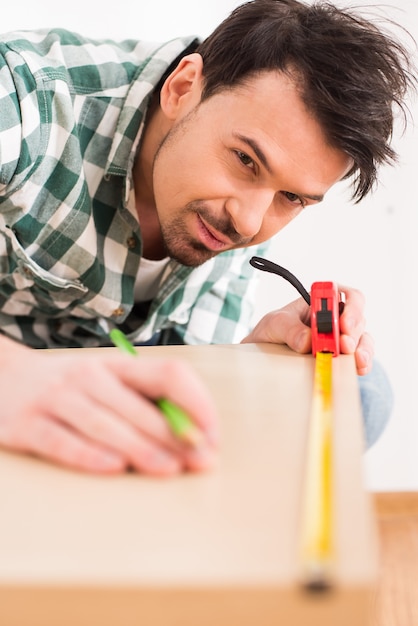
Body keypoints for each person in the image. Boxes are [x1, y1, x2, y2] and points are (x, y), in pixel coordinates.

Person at [0, 0, 414, 475]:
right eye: (244, 161)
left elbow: (188, 370)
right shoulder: (25, 97)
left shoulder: (237, 209)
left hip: (124, 365)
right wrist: (13, 377)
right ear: (182, 88)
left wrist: (251, 357)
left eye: (292, 198)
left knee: (361, 393)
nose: (249, 222)